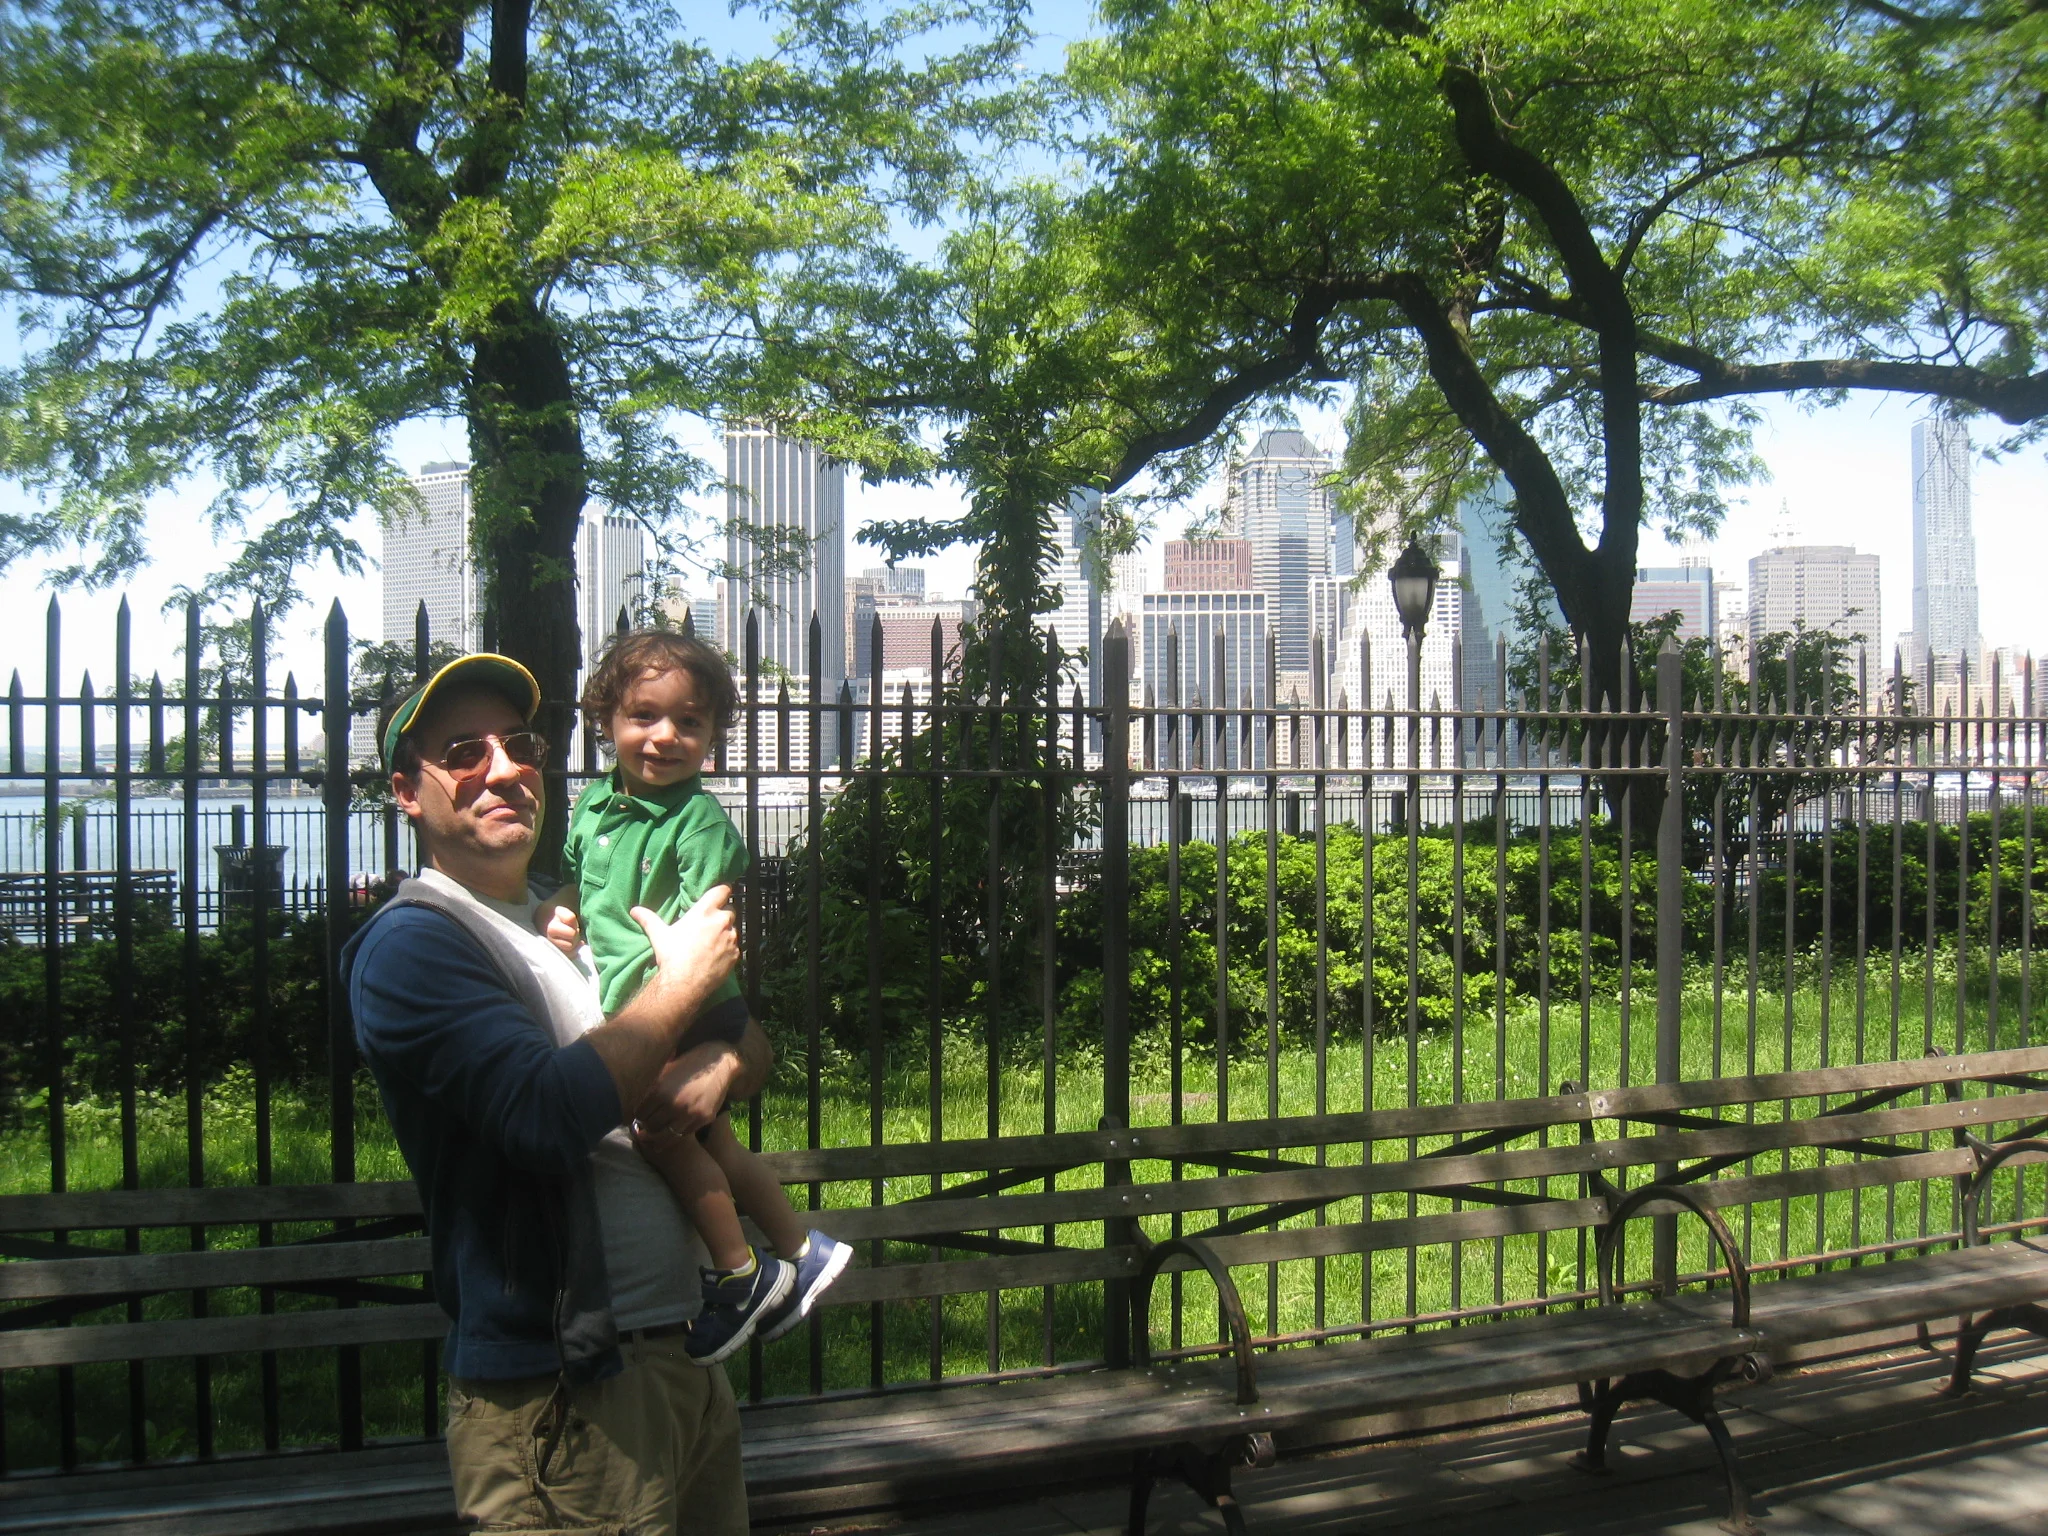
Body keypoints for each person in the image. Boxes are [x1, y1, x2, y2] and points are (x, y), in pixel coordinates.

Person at [343, 653, 756, 1536]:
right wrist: (679, 988)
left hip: (682, 1360)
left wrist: (716, 1065)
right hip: (563, 1393)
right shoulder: (414, 948)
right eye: (461, 752)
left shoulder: (561, 924)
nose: (500, 767)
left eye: (519, 743)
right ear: (407, 792)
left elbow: (743, 1041)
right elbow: (542, 1115)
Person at [542, 629, 849, 1364]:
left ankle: (738, 1271)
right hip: (643, 1003)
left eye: (690, 722)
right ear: (605, 720)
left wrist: (669, 1002)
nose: (665, 736)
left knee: (660, 1133)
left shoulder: (699, 820)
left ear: (712, 736)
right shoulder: (590, 810)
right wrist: (558, 910)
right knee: (712, 1140)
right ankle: (803, 1247)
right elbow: (574, 885)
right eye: (644, 716)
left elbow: (704, 924)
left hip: (691, 1001)